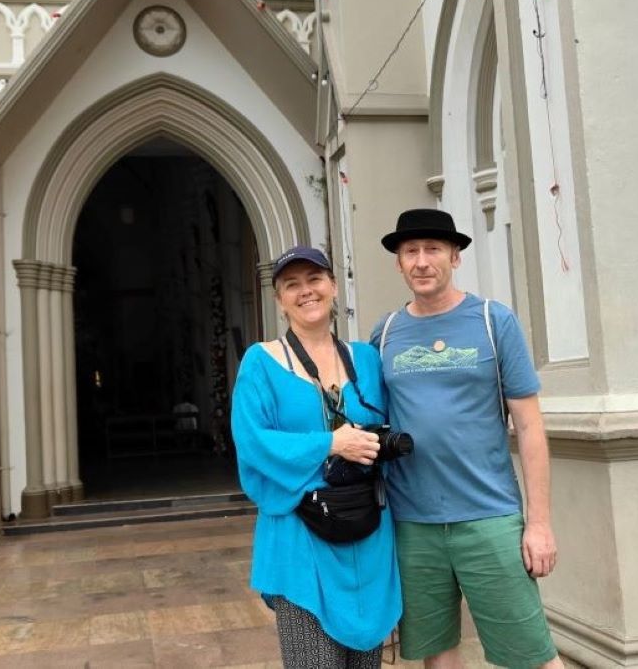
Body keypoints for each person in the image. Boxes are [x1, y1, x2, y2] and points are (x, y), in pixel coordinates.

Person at [371, 209, 562, 669]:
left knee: (531, 655)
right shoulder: (386, 334)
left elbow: (531, 426)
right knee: (437, 655)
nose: (421, 261)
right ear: (398, 262)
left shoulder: (495, 322)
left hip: (489, 517)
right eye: (410, 251)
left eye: (433, 249)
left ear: (455, 256)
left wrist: (538, 524)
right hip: (413, 525)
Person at [231, 245, 401, 668]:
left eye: (315, 280)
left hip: (368, 537)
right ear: (278, 299)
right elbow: (252, 442)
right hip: (301, 540)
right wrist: (330, 444)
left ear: (334, 286)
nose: (305, 291)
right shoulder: (261, 362)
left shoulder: (366, 358)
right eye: (292, 284)